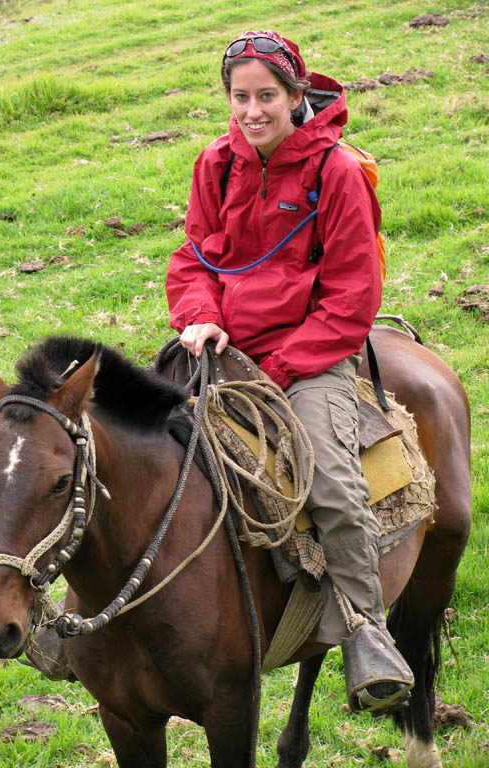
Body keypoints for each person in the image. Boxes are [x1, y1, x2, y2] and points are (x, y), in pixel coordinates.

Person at [166, 30, 414, 714]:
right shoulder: (215, 164)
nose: (251, 111)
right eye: (239, 97)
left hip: (308, 359)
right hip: (223, 350)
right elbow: (193, 259)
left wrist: (276, 367)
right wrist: (198, 316)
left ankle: (367, 631)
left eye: (266, 96)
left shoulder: (337, 174)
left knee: (332, 484)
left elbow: (352, 300)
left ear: (297, 94)